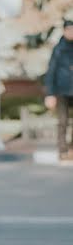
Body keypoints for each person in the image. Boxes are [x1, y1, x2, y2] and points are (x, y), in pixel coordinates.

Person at [44, 19, 73, 160]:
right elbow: (51, 71)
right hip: (62, 90)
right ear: (64, 31)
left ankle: (72, 149)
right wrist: (50, 94)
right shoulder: (59, 49)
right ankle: (62, 150)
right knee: (63, 121)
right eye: (69, 30)